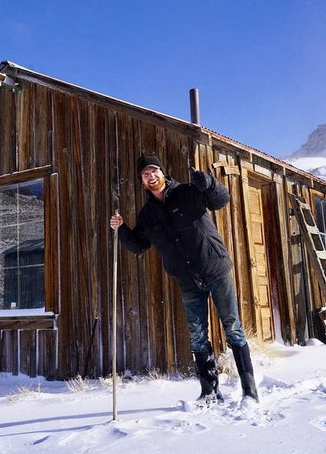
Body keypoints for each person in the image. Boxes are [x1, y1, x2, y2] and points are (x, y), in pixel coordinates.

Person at [110, 154, 259, 405]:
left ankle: (249, 390)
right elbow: (138, 246)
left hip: (214, 268)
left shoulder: (188, 192)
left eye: (154, 171)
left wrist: (209, 183)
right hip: (188, 280)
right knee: (197, 336)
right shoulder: (147, 215)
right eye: (145, 174)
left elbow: (221, 200)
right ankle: (209, 391)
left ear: (162, 172)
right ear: (142, 181)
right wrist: (121, 228)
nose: (151, 176)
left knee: (232, 327)